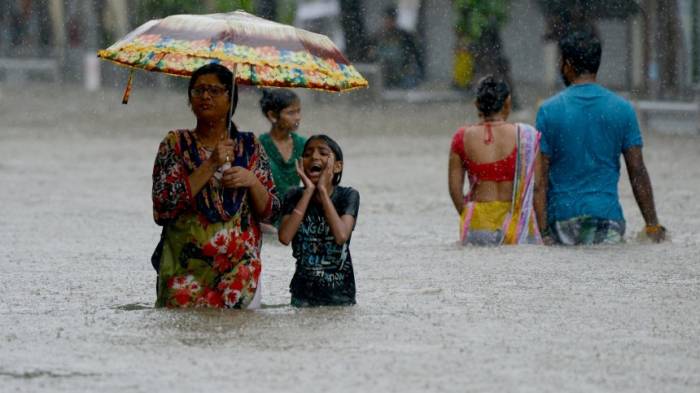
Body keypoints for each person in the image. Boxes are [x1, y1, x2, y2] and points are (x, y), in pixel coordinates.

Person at [151, 63, 280, 309]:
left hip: (240, 271)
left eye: (214, 90)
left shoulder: (250, 145)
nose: (205, 96)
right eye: (198, 91)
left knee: (237, 340)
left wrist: (251, 181)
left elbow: (271, 211)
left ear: (231, 98)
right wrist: (210, 164)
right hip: (184, 269)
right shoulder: (175, 144)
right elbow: (162, 207)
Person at [535, 30, 666, 245]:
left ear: (567, 65)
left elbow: (540, 181)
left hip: (562, 221)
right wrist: (652, 225)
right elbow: (637, 172)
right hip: (608, 219)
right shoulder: (623, 109)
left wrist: (543, 234)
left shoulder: (549, 111)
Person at [448, 75, 545, 245]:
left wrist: (467, 214)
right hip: (518, 224)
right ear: (507, 102)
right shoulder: (526, 137)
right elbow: (537, 187)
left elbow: (454, 189)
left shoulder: (462, 137)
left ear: (477, 104)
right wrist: (544, 230)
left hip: (478, 223)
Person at [278, 135, 360, 306]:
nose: (314, 157)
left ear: (337, 166)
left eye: (323, 153)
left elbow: (341, 235)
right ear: (301, 164)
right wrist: (308, 191)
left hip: (340, 296)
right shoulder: (293, 196)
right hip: (302, 296)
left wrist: (322, 191)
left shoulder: (348, 196)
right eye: (307, 154)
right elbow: (285, 237)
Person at [258, 89, 306, 227]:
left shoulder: (303, 145)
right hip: (266, 220)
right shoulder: (259, 146)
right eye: (291, 113)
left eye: (298, 111)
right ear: (272, 116)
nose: (298, 117)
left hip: (292, 216)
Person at [368, 6, 424, 89]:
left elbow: (415, 55)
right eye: (387, 19)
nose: (389, 22)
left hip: (402, 74)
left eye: (391, 19)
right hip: (383, 76)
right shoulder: (377, 37)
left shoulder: (404, 36)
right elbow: (369, 56)